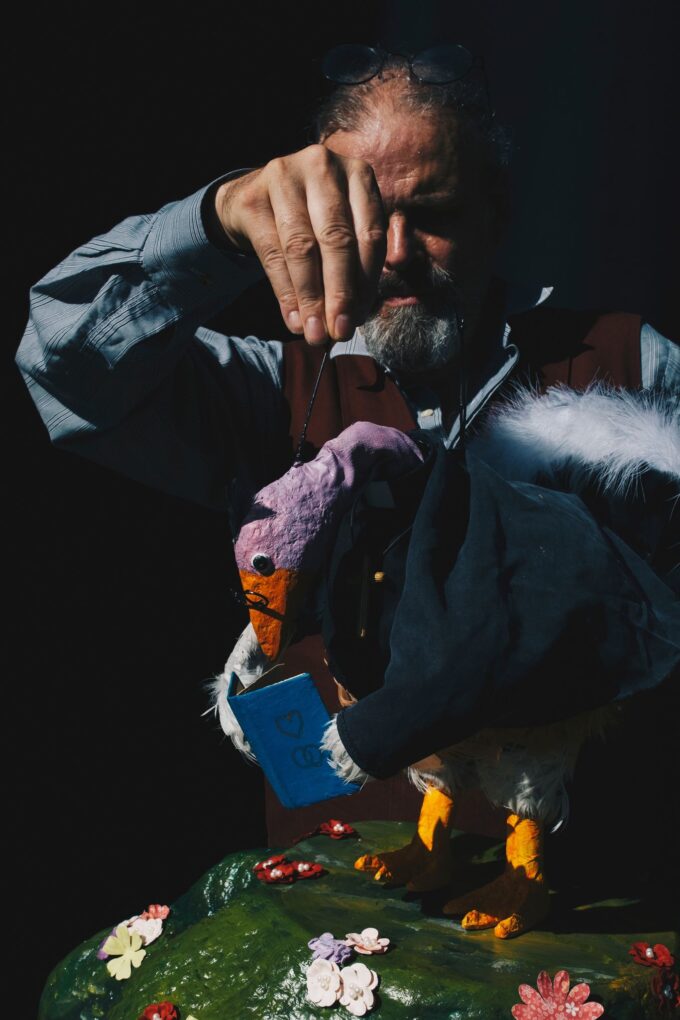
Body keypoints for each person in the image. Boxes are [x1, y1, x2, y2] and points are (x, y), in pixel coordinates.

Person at [15, 46, 679, 851]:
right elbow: (62, 367)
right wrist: (217, 221)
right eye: (363, 216)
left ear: (495, 211)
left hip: (587, 905)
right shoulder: (271, 392)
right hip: (325, 906)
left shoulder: (631, 368)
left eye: (431, 213)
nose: (394, 252)